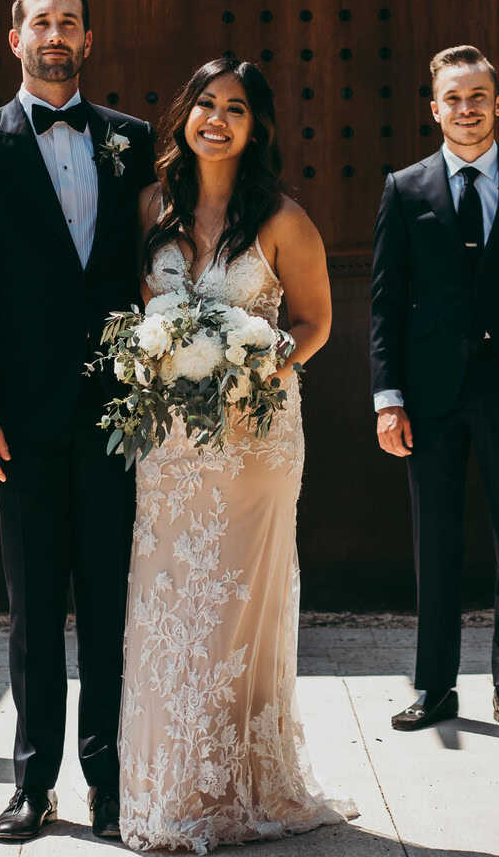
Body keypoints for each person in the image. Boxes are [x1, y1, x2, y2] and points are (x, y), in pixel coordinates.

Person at [118, 58, 355, 851]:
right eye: (205, 105)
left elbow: (316, 321)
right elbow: (135, 313)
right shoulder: (151, 207)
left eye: (236, 110)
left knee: (233, 606)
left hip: (256, 440)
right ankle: (169, 785)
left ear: (256, 129)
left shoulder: (283, 219)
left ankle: (237, 785)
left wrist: (261, 363)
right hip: (172, 445)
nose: (216, 119)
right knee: (169, 604)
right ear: (185, 116)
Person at [0, 0, 152, 843]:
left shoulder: (134, 142)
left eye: (69, 22)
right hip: (18, 416)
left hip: (118, 414)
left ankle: (109, 780)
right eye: (40, 22)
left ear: (88, 41)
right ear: (14, 37)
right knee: (33, 614)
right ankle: (33, 784)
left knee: (108, 605)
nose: (54, 35)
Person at [368, 44, 499, 736]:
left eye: (478, 96)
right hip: (430, 395)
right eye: (453, 98)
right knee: (436, 543)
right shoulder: (405, 188)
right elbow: (384, 303)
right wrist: (387, 396)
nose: (467, 108)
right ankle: (433, 688)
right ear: (434, 108)